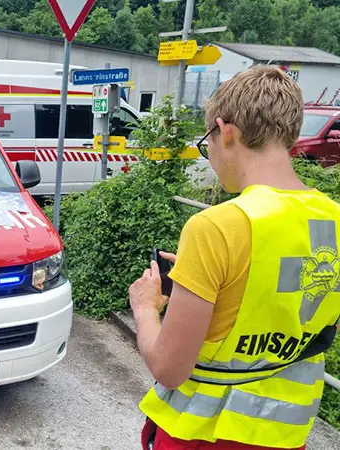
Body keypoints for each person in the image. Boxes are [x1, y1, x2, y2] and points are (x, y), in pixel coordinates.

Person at [129, 66, 340, 450]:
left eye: (206, 141)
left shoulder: (216, 227)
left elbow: (169, 369)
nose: (209, 153)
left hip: (201, 436)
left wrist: (145, 309)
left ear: (225, 132)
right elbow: (307, 315)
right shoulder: (334, 218)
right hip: (285, 437)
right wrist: (206, 282)